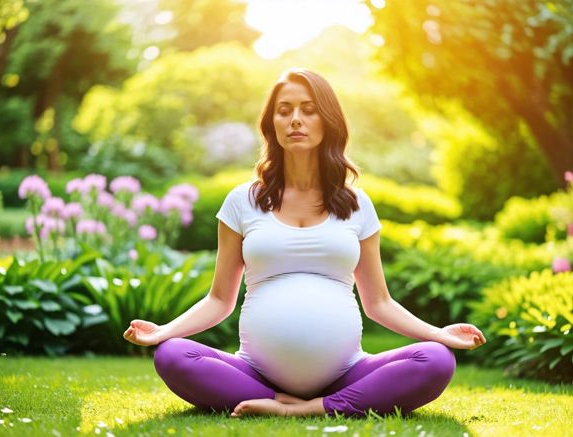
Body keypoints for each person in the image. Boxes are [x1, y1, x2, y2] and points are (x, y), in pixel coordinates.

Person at [123, 68, 486, 418]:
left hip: (347, 372)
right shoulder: (241, 202)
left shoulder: (358, 205)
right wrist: (163, 332)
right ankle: (277, 398)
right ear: (273, 125)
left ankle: (312, 407)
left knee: (436, 360)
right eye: (285, 111)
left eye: (308, 111)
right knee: (171, 355)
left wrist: (438, 334)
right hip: (254, 371)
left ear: (328, 122)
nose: (296, 119)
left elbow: (378, 303)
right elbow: (220, 300)